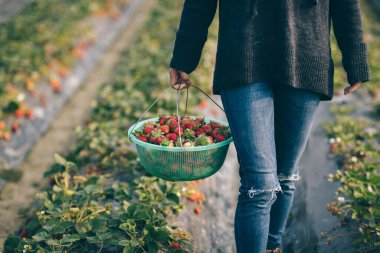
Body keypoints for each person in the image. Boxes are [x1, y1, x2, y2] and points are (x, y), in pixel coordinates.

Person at [168, 0, 371, 252]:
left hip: (306, 58)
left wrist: (355, 57)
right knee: (260, 183)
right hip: (243, 55)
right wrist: (184, 57)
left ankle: (272, 247)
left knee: (285, 176)